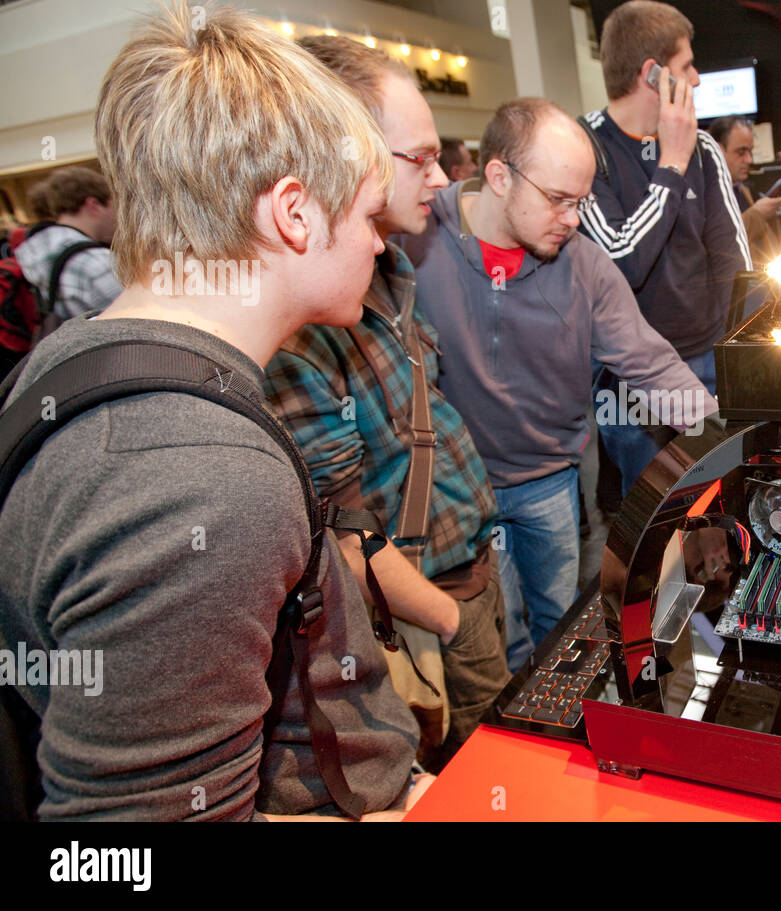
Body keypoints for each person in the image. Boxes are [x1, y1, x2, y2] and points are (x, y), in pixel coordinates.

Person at [0, 2, 420, 820]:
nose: (379, 244)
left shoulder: (68, 360)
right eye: (369, 215)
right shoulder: (202, 478)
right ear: (293, 213)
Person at [402, 97, 715, 670]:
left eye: (581, 202)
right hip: (457, 491)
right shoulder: (416, 240)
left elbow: (650, 364)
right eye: (558, 200)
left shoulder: (585, 265)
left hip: (548, 480)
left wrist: (726, 435)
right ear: (499, 176)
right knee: (496, 638)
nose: (573, 218)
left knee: (557, 628)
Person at [265, 35, 509, 768]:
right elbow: (343, 539)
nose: (439, 177)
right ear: (352, 156)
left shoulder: (392, 268)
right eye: (420, 157)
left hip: (467, 572)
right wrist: (453, 620)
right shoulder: (302, 329)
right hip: (423, 611)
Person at [577, 0, 749, 501]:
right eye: (686, 66)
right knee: (651, 517)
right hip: (633, 380)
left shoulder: (706, 149)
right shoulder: (586, 148)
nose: (696, 79)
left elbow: (734, 262)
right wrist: (670, 164)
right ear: (653, 75)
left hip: (712, 361)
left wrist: (741, 356)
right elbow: (621, 261)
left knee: (724, 500)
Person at [14, 165, 122, 320]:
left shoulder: (35, 250)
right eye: (113, 206)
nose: (116, 216)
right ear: (93, 205)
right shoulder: (97, 262)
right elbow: (138, 324)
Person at [708, 115, 781, 264]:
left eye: (750, 152)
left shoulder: (742, 189)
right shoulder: (705, 194)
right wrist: (757, 215)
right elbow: (719, 242)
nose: (749, 160)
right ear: (717, 149)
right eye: (741, 153)